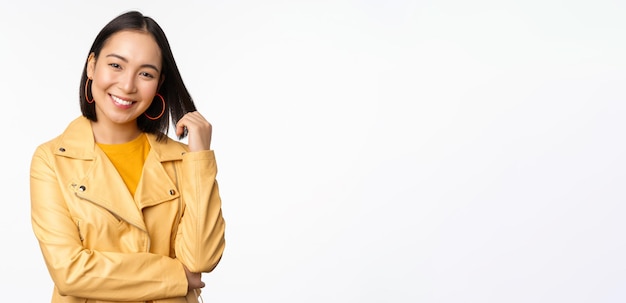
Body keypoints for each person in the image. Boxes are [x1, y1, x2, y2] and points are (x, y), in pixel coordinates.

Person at [29, 10, 226, 303]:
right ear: (92, 66)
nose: (128, 85)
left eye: (146, 73)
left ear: (158, 84)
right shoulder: (52, 160)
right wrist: (174, 277)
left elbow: (201, 259)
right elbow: (69, 272)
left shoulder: (183, 160)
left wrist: (200, 158)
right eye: (116, 65)